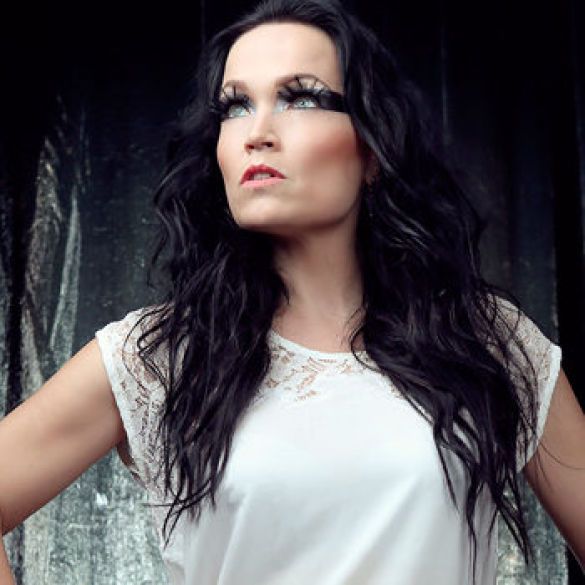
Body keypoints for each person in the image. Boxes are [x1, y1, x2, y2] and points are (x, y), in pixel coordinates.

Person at [1, 0, 584, 583]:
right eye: (235, 106)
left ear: (373, 149)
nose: (256, 134)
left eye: (300, 98)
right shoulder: (159, 358)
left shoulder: (485, 342)